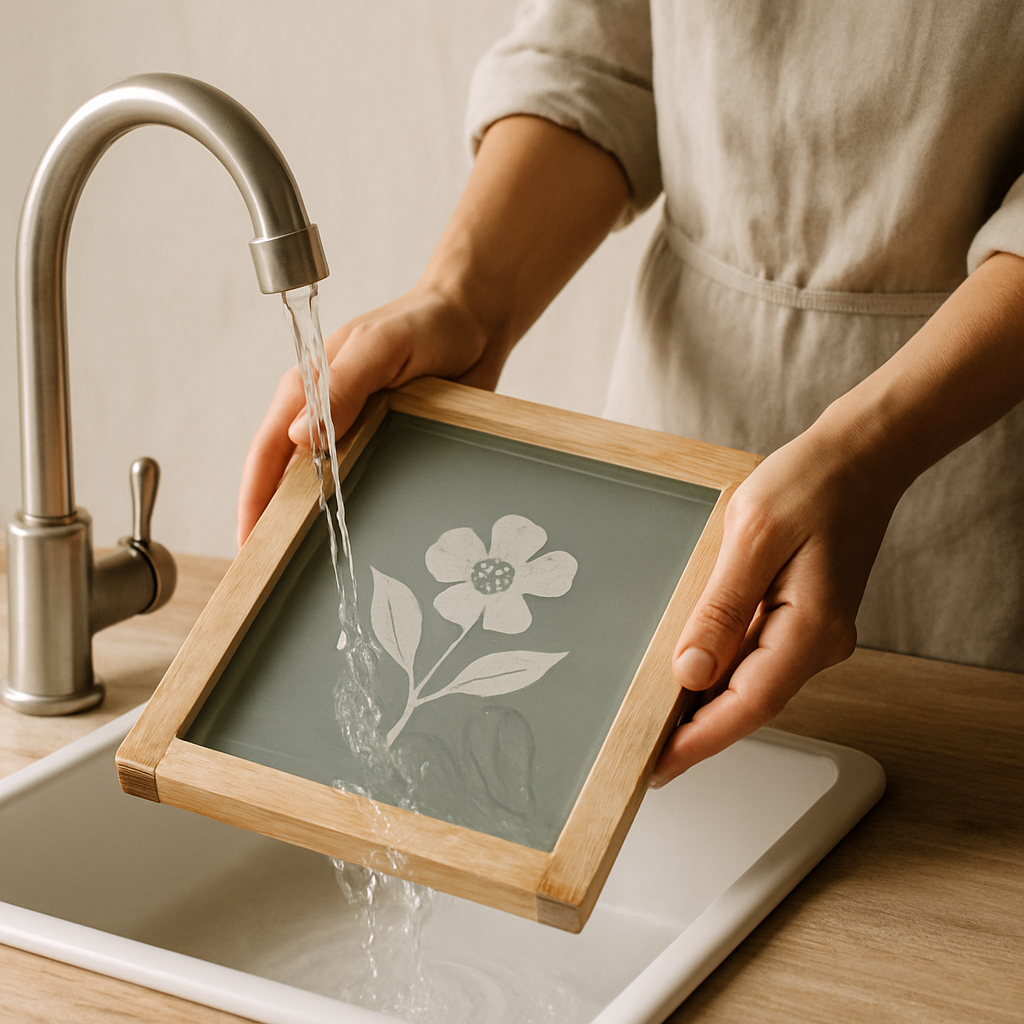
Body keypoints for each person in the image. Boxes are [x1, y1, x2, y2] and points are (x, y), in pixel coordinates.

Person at [238, 1, 1024, 788]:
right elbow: (601, 54)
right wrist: (465, 297)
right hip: (677, 433)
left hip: (972, 450)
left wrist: (871, 451)